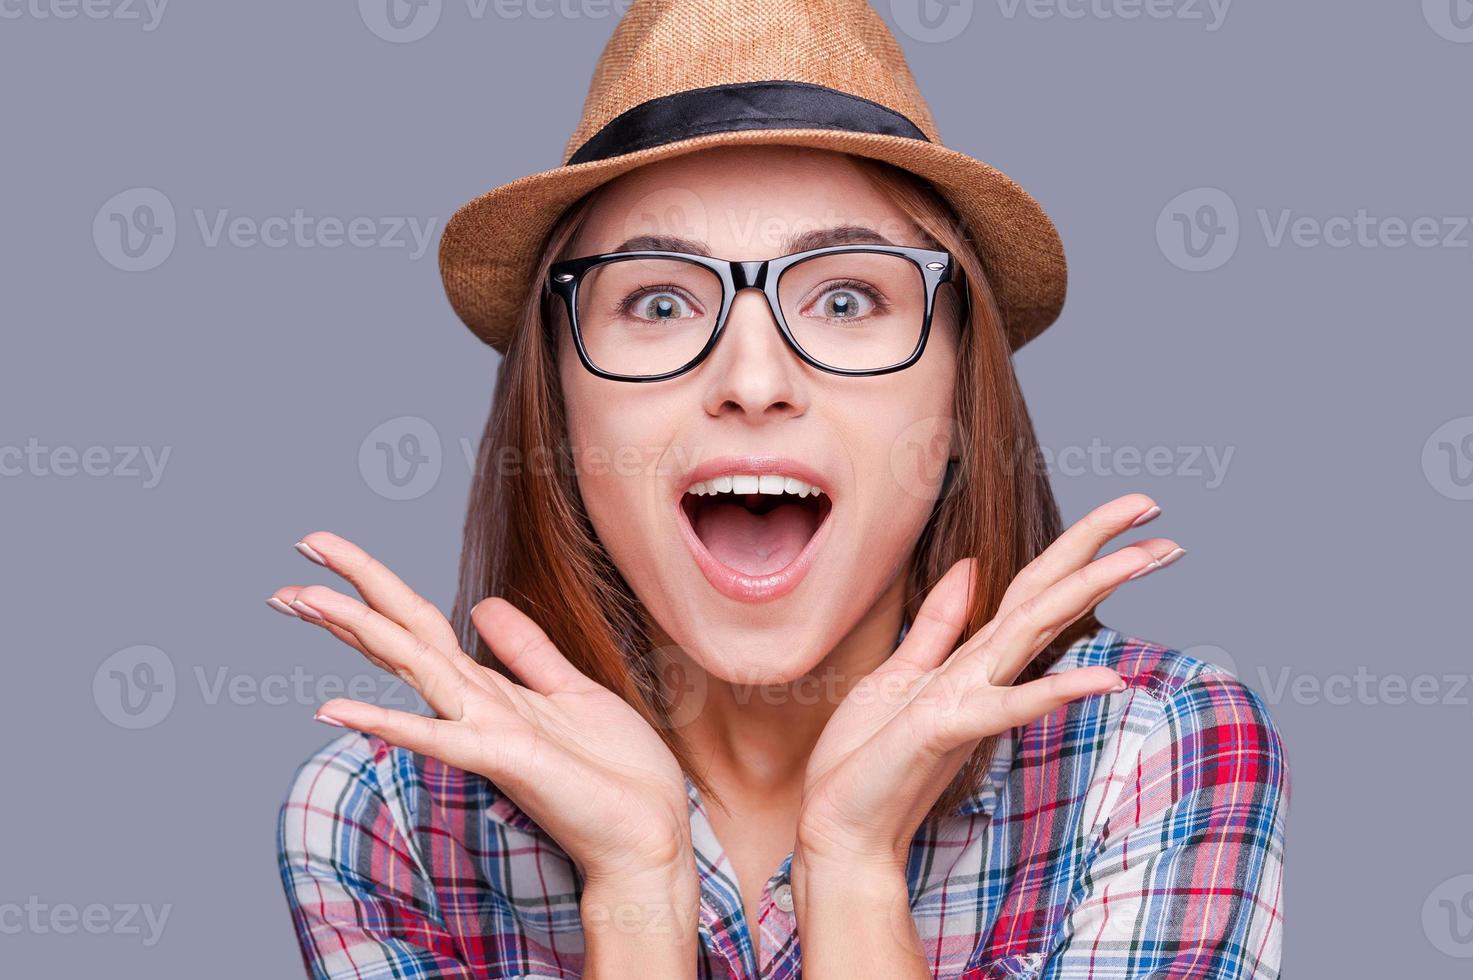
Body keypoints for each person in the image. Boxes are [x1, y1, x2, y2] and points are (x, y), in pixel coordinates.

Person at [274, 2, 1287, 977]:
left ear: (957, 389)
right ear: (560, 401)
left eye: (847, 297)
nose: (753, 383)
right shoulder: (388, 818)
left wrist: (853, 871)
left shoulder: (1145, 746)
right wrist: (635, 890)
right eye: (659, 301)